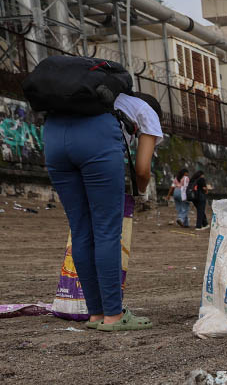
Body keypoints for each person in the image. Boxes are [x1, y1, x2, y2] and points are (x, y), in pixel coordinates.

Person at [45, 91, 163, 331]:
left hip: (54, 135)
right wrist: (140, 192)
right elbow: (142, 170)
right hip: (96, 141)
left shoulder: (101, 98)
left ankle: (96, 313)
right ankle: (113, 315)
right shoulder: (147, 111)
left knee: (80, 230)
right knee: (106, 231)